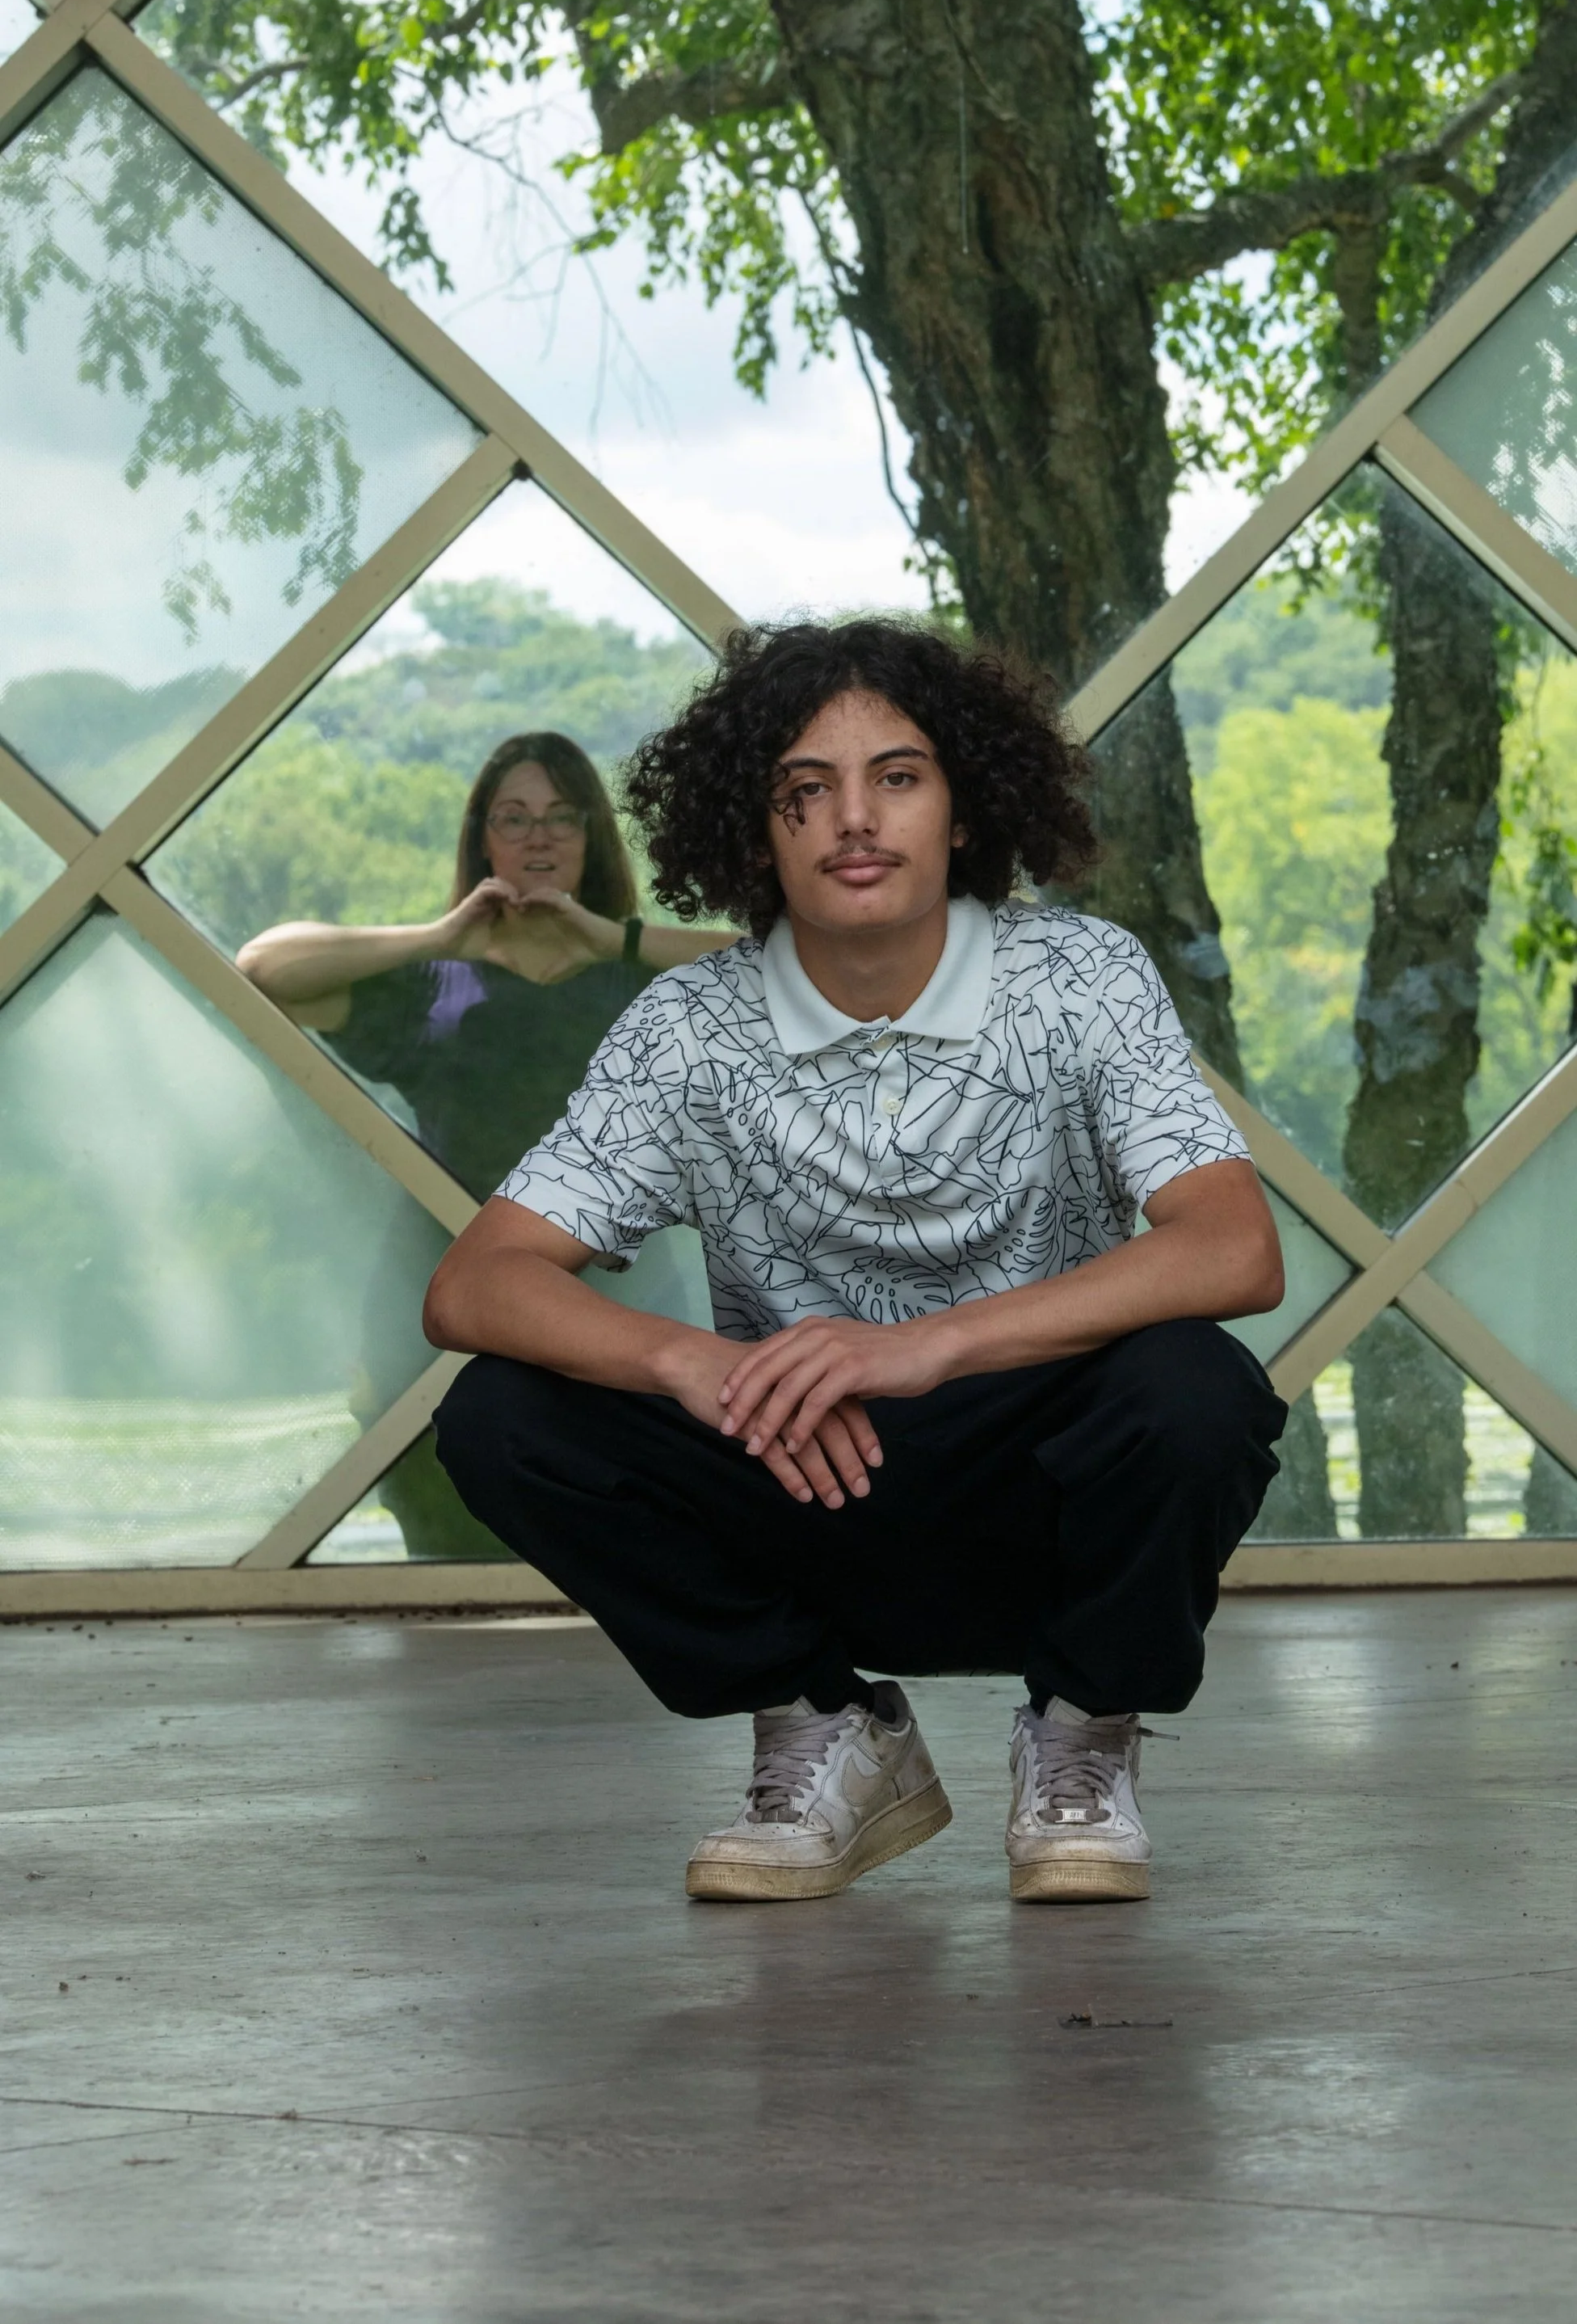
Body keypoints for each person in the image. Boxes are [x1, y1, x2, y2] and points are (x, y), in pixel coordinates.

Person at [423, 621, 1289, 1904]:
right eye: (803, 790)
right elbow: (473, 1285)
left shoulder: (1080, 975)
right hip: (803, 1481)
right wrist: (694, 1366)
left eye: (897, 775)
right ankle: (826, 1725)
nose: (852, 820)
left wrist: (924, 1343)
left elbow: (1235, 1246)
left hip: (1037, 1484)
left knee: (1196, 1388)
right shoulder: (688, 1028)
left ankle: (1084, 1735)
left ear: (962, 804)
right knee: (499, 1415)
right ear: (754, 827)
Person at [238, 730, 734, 1556]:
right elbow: (261, 968)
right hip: (435, 1313)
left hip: (625, 1311)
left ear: (591, 836)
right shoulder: (434, 981)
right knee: (453, 1551)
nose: (538, 836)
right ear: (482, 839)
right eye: (513, 817)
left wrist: (610, 937)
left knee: (636, 1561)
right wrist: (447, 937)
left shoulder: (644, 981)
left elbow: (781, 970)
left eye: (561, 817)